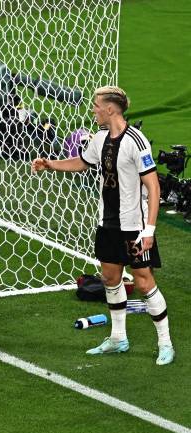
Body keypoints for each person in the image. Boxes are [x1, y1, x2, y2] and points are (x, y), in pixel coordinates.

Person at [31, 86, 174, 365]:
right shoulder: (99, 138)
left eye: (97, 105)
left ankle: (165, 342)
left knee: (144, 283)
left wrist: (150, 230)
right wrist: (50, 164)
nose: (94, 110)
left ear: (110, 109)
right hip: (108, 224)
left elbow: (153, 187)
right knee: (110, 278)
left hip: (134, 226)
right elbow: (82, 162)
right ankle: (118, 338)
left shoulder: (136, 141)